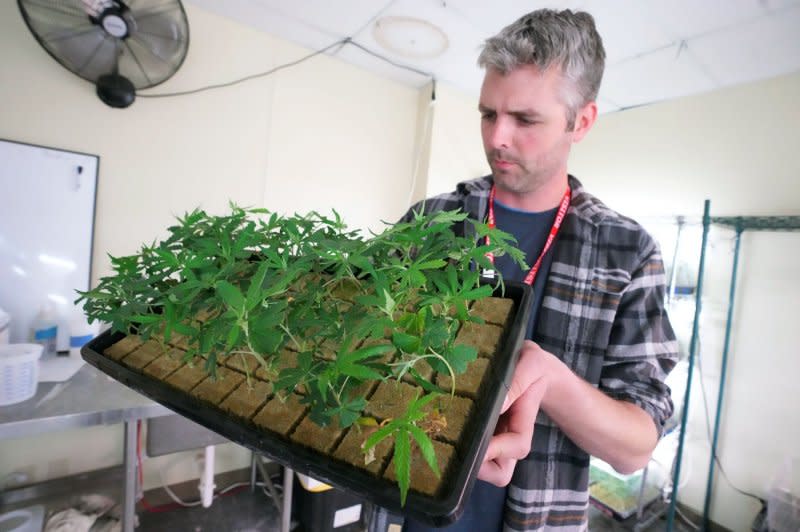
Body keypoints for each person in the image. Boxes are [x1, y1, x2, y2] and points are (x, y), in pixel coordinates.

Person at [399, 8, 678, 532]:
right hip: (415, 510)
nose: (498, 137)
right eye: (488, 114)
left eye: (525, 120)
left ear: (583, 121)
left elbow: (636, 446)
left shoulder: (627, 252)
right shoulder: (430, 222)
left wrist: (547, 378)